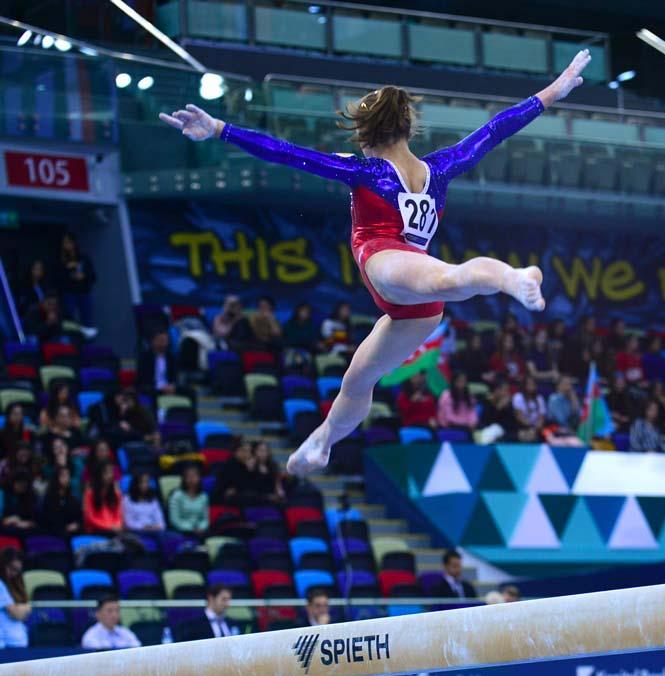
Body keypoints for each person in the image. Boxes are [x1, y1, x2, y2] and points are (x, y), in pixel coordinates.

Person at [161, 50, 592, 476]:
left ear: (367, 134)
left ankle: (515, 278)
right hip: (416, 312)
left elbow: (287, 153)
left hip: (387, 262)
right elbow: (496, 129)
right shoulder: (441, 167)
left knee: (447, 278)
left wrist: (220, 129)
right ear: (406, 128)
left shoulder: (366, 171)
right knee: (357, 380)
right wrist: (552, 92)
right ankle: (324, 439)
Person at [56, 231, 97, 326]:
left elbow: (93, 277)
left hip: (83, 292)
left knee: (87, 319)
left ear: (73, 243)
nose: (66, 245)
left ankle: (87, 333)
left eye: (68, 242)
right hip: (69, 294)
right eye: (64, 243)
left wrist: (83, 276)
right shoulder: (61, 260)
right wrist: (67, 269)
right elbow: (58, 279)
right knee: (70, 319)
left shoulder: (83, 258)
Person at [39, 465, 83, 535]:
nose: (66, 478)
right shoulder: (49, 498)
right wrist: (64, 527)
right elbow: (48, 520)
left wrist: (77, 525)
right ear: (56, 478)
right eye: (63, 476)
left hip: (71, 533)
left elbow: (79, 517)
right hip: (53, 533)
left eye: (68, 475)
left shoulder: (73, 498)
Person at [137, 330, 182, 397]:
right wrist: (159, 388)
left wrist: (172, 386)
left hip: (168, 388)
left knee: (189, 392)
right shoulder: (145, 358)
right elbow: (142, 379)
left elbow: (175, 376)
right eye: (161, 340)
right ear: (153, 341)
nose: (164, 343)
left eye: (166, 340)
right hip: (152, 388)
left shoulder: (171, 357)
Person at [167, 463, 209, 536]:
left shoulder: (203, 496)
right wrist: (191, 529)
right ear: (184, 479)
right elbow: (174, 520)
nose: (191, 479)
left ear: (199, 478)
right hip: (181, 531)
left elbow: (205, 519)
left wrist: (201, 527)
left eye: (194, 476)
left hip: (200, 531)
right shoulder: (177, 495)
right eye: (188, 476)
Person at [0, 548, 30, 647]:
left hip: (19, 642)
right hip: (5, 644)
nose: (13, 573)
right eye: (11, 568)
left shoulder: (16, 585)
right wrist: (27, 607)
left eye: (17, 570)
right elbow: (16, 614)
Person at [83, 461, 123, 534]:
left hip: (112, 529)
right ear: (99, 475)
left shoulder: (116, 493)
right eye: (106, 473)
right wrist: (108, 527)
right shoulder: (90, 493)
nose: (110, 476)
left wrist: (117, 524)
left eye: (111, 473)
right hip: (96, 530)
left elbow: (118, 515)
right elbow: (89, 518)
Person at [511, 376, 546, 442]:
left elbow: (542, 418)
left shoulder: (539, 398)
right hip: (522, 427)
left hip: (536, 429)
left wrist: (535, 429)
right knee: (525, 435)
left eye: (533, 384)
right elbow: (519, 417)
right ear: (524, 386)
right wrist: (531, 427)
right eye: (529, 384)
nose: (532, 386)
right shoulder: (518, 397)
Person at [251, 440, 285, 504]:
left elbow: (277, 483)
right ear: (254, 451)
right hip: (256, 496)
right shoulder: (251, 465)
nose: (263, 453)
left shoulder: (273, 465)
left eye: (266, 450)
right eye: (260, 450)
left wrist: (280, 494)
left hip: (272, 495)